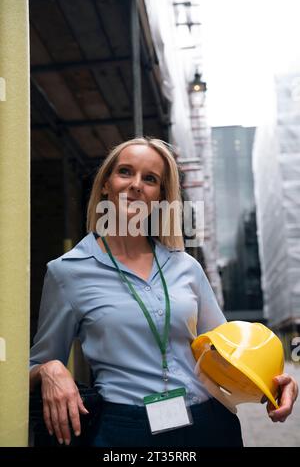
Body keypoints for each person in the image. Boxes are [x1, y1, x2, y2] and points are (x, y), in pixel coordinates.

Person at [29, 137, 298, 447]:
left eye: (150, 179)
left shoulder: (186, 267)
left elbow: (228, 351)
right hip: (126, 430)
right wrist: (48, 369)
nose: (136, 185)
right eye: (125, 172)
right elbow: (35, 364)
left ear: (160, 197)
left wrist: (275, 383)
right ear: (105, 184)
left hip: (208, 424)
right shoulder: (68, 272)